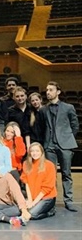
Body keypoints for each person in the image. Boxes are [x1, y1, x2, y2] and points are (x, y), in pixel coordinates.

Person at [38, 81, 79, 212]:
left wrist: (67, 137)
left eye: (51, 90)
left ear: (58, 92)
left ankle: (69, 200)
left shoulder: (68, 107)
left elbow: (75, 125)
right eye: (47, 90)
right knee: (51, 175)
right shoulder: (43, 109)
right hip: (49, 145)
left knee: (67, 173)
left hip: (65, 144)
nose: (48, 92)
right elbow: (41, 127)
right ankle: (51, 201)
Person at [21, 143, 57, 220]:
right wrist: (30, 200)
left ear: (41, 152)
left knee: (31, 215)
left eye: (37, 151)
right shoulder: (26, 164)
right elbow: (26, 183)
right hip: (33, 197)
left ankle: (50, 211)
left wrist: (34, 203)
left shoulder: (49, 165)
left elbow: (46, 188)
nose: (35, 153)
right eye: (32, 151)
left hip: (46, 197)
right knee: (23, 212)